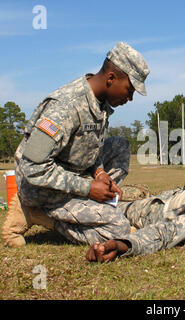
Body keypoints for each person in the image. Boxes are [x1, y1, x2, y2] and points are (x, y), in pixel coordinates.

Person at [2, 42, 150, 248]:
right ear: (111, 78)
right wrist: (88, 187)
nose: (130, 98)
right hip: (40, 189)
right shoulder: (65, 106)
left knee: (120, 146)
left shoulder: (100, 104)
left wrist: (99, 173)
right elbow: (32, 167)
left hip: (72, 176)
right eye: (129, 89)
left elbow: (88, 147)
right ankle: (35, 213)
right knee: (118, 229)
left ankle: (95, 204)